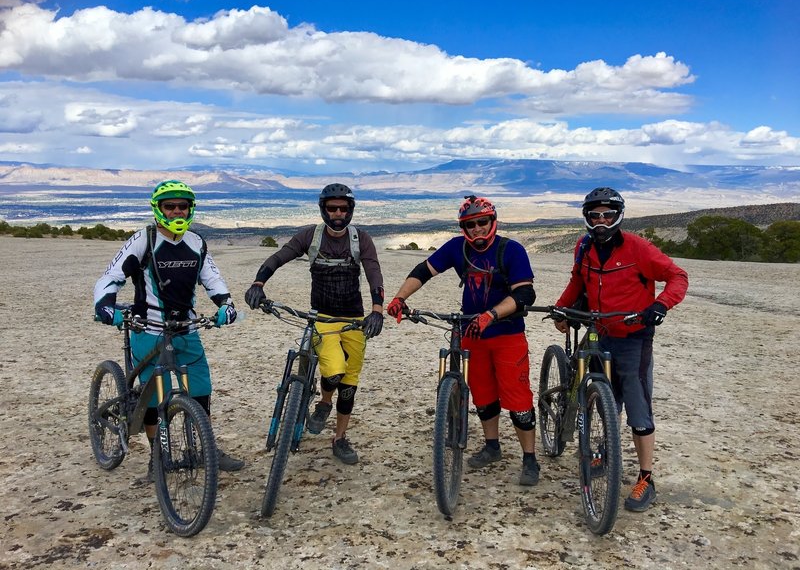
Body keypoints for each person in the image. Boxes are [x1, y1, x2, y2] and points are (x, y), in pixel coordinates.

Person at [93, 179, 245, 480]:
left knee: (200, 391)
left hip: (186, 328)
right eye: (170, 206)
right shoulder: (143, 240)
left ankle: (204, 449)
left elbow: (212, 278)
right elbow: (111, 277)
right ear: (158, 209)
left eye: (182, 206)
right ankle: (158, 456)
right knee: (152, 397)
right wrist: (105, 306)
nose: (177, 211)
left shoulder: (196, 242)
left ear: (190, 209)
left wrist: (226, 304)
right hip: (148, 328)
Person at [387, 195, 540, 486]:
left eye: (483, 223)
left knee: (518, 400)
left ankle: (529, 458)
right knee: (483, 395)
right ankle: (492, 446)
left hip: (507, 334)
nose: (478, 229)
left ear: (493, 222)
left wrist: (491, 315)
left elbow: (525, 295)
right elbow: (424, 271)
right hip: (472, 333)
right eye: (471, 225)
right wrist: (400, 298)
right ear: (463, 228)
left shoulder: (512, 250)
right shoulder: (457, 249)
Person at [554, 186, 688, 512]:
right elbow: (577, 281)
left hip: (633, 338)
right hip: (600, 331)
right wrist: (562, 308)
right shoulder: (584, 247)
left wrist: (660, 305)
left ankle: (646, 478)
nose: (601, 220)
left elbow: (677, 276)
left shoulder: (638, 249)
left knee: (639, 409)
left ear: (618, 216)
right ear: (587, 218)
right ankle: (603, 451)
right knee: (604, 401)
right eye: (594, 215)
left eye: (608, 215)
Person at [244, 183, 385, 465]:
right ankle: (323, 402)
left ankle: (340, 438)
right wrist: (259, 282)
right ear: (323, 209)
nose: (338, 213)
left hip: (355, 319)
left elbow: (373, 272)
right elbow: (280, 256)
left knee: (349, 384)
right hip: (322, 317)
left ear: (350, 211)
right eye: (332, 208)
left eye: (343, 208)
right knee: (334, 371)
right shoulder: (311, 236)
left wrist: (377, 310)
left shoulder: (361, 239)